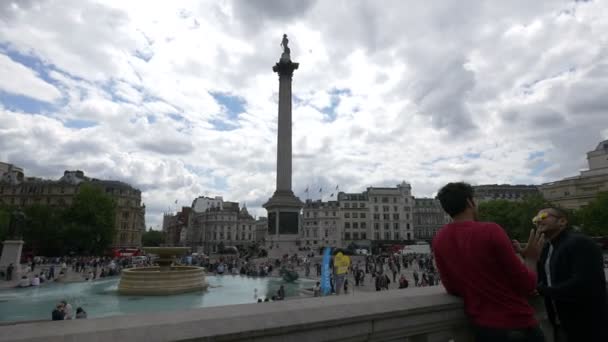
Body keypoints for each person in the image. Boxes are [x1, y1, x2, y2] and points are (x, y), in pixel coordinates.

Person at [433, 182, 545, 342]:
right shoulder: (490, 230)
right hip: (517, 325)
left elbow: (452, 288)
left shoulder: (439, 238)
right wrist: (531, 258)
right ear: (470, 202)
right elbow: (527, 285)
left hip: (482, 329)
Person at [532, 207, 608, 342]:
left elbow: (585, 283)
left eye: (543, 216)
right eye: (536, 219)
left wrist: (542, 290)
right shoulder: (547, 248)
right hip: (561, 322)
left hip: (587, 324)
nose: (538, 220)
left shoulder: (580, 242)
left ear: (562, 221)